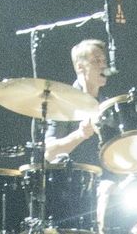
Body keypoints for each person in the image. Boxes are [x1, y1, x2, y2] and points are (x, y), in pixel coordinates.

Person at [42, 36, 112, 164]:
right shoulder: (62, 102)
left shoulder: (108, 105)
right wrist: (80, 134)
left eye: (104, 60)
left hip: (107, 176)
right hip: (72, 178)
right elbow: (49, 153)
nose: (103, 66)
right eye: (96, 61)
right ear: (80, 67)